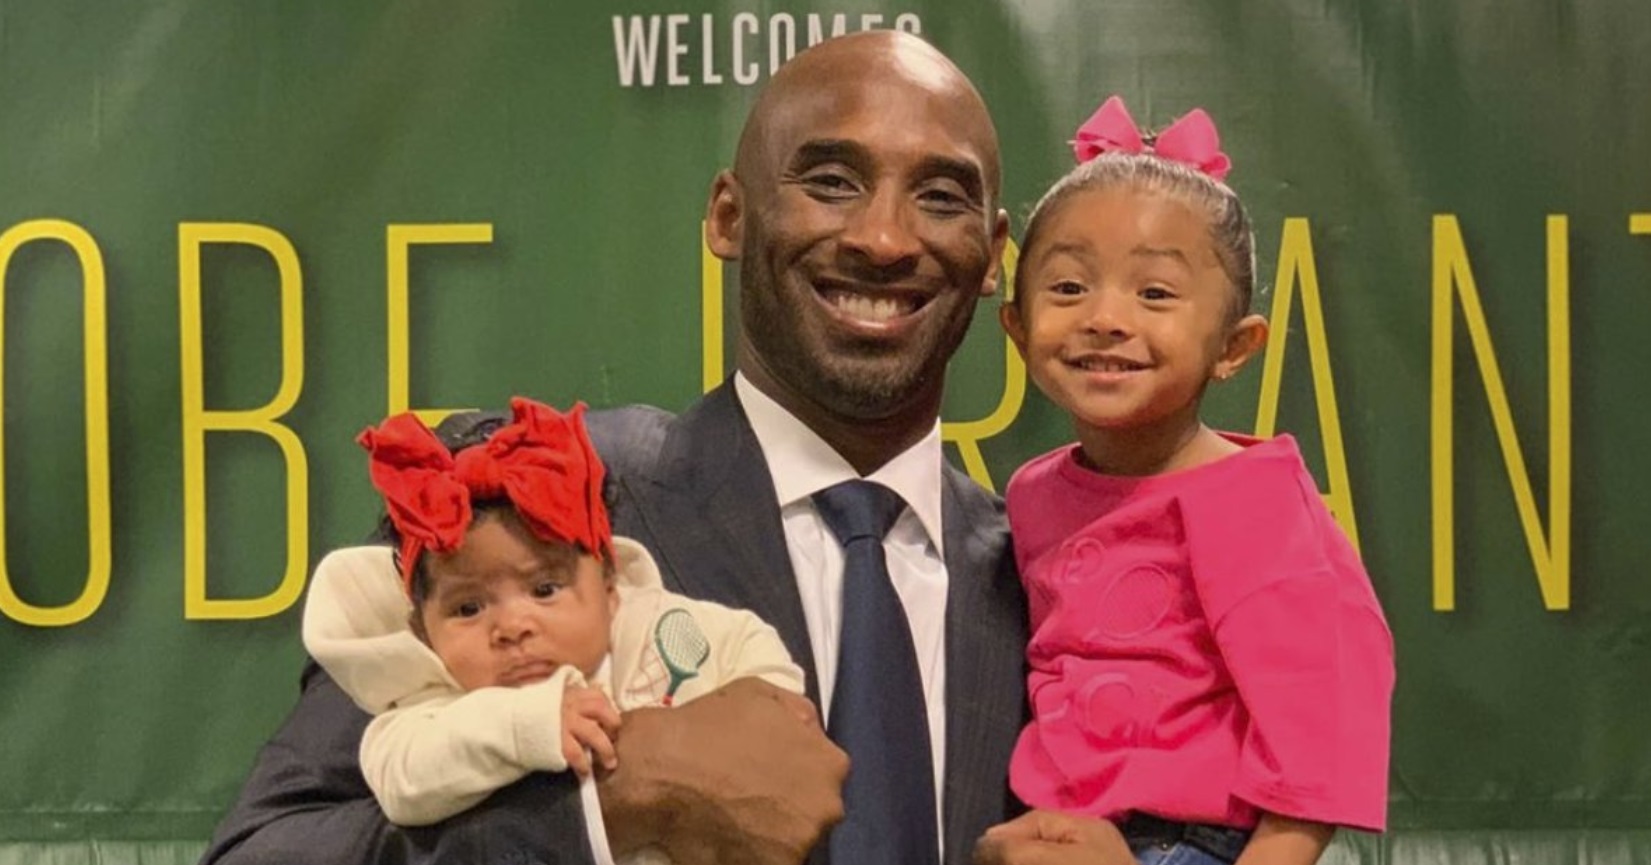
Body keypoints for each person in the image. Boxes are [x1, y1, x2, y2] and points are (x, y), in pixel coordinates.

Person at [201, 30, 1036, 865]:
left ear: (993, 255)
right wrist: (619, 804)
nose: (885, 238)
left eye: (939, 196)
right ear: (727, 216)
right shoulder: (530, 499)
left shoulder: (1048, 578)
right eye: (829, 181)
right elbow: (260, 851)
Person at [978, 97, 1395, 865]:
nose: (1104, 317)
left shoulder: (1255, 500)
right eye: (1068, 288)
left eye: (1154, 293)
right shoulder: (1032, 495)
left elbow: (1316, 756)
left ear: (1233, 346)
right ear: (1016, 325)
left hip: (1196, 844)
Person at [304, 397, 804, 855]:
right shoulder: (433, 707)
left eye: (544, 590)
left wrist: (767, 710)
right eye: (468, 609)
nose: (511, 626)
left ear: (609, 584)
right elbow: (401, 779)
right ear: (421, 630)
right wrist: (527, 725)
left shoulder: (660, 627)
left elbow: (750, 646)